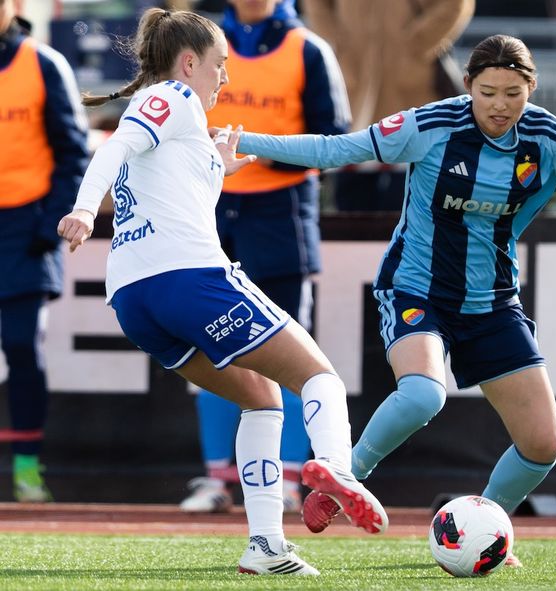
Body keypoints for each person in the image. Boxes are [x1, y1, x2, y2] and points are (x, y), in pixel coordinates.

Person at [220, 33, 556, 557]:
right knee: (423, 395)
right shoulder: (430, 126)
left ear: (531, 90)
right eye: (488, 93)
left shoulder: (547, 138)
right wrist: (245, 140)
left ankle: (484, 529)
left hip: (493, 303)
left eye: (513, 94)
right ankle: (343, 478)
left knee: (542, 443)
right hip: (416, 288)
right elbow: (335, 149)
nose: (500, 105)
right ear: (469, 85)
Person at [56, 8, 386, 576]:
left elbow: (164, 185)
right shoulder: (174, 97)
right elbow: (112, 148)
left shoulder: (174, 119)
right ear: (189, 64)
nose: (225, 77)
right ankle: (336, 467)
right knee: (318, 376)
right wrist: (85, 210)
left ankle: (266, 547)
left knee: (261, 398)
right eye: (220, 64)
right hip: (189, 279)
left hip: (133, 300)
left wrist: (217, 169)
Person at [179, 0, 350, 516]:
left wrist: (259, 153)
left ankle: (291, 480)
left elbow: (333, 138)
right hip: (208, 208)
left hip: (281, 214)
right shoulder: (199, 43)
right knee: (210, 346)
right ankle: (216, 479)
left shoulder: (308, 50)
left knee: (289, 349)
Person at [0, 0, 88, 502]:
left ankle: (27, 469)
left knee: (21, 345)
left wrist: (50, 220)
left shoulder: (43, 63)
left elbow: (73, 151)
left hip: (26, 228)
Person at [302, 0, 474, 211]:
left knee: (408, 189)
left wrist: (417, 42)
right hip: (354, 78)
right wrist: (338, 41)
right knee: (351, 195)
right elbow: (316, 4)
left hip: (411, 82)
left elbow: (455, 5)